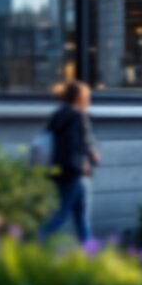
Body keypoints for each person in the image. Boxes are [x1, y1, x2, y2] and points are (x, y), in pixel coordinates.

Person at [39, 81, 100, 242]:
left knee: (80, 214)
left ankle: (89, 251)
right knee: (63, 212)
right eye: (87, 96)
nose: (89, 99)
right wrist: (88, 159)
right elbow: (78, 144)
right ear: (80, 97)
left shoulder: (58, 114)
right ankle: (38, 238)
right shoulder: (78, 117)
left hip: (59, 169)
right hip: (73, 171)